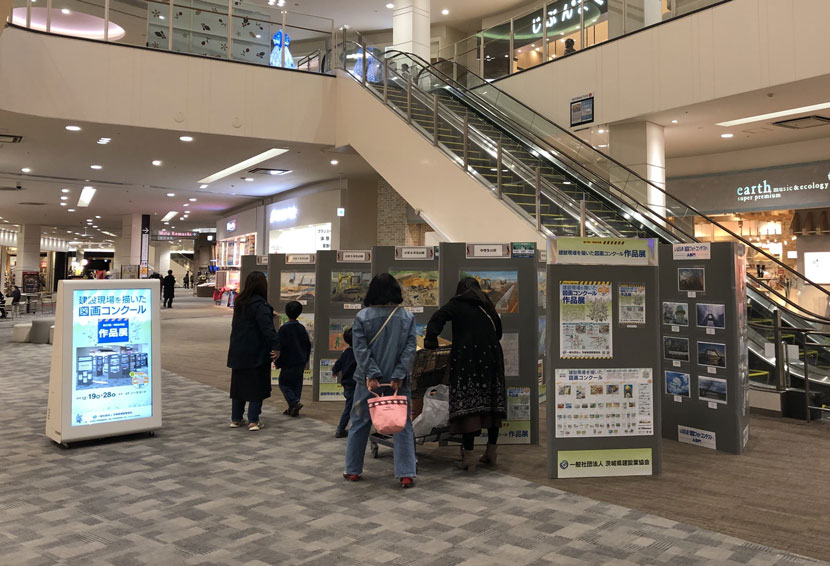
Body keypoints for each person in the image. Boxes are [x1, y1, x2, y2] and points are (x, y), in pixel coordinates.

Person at [424, 277, 507, 472]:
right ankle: (491, 453)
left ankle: (469, 457)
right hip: (492, 359)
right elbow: (499, 333)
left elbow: (437, 318)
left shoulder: (457, 303)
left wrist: (431, 340)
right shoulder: (486, 304)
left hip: (467, 360)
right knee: (492, 403)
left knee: (468, 406)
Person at [344, 273, 417, 488]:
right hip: (397, 383)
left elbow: (360, 349)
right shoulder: (406, 317)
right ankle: (406, 473)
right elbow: (410, 349)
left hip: (367, 382)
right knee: (402, 424)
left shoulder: (362, 317)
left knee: (359, 423)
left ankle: (353, 470)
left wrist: (373, 374)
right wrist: (398, 374)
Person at [227, 271, 278, 431]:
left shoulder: (240, 302)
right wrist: (276, 347)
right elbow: (267, 330)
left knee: (239, 386)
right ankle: (253, 421)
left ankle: (236, 419)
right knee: (257, 385)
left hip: (238, 351)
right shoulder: (261, 305)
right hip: (256, 352)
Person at [274, 300, 311, 417]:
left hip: (288, 362)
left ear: (286, 312)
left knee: (284, 384)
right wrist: (305, 358)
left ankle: (294, 402)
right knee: (297, 385)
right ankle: (293, 408)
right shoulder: (301, 328)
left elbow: (279, 347)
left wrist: (277, 362)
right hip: (300, 361)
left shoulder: (283, 329)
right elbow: (307, 345)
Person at [332, 327, 356, 438]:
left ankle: (345, 428)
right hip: (354, 384)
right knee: (350, 407)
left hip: (347, 384)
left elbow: (338, 364)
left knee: (350, 406)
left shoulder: (346, 352)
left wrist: (335, 371)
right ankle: (340, 429)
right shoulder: (358, 353)